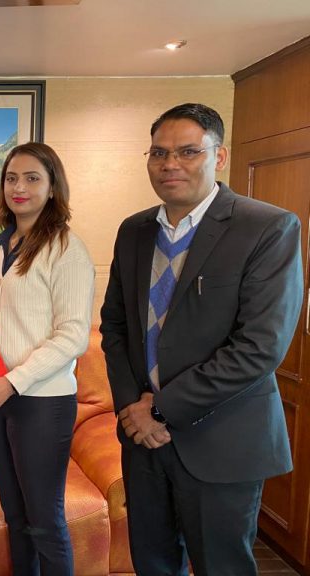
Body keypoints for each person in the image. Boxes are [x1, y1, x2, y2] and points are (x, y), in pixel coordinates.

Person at [100, 103, 303, 576]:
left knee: (222, 566)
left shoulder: (267, 227)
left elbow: (259, 348)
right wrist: (133, 409)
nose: (170, 164)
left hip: (221, 438)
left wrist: (159, 409)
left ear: (220, 156)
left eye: (188, 151)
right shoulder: (134, 231)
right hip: (144, 442)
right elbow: (115, 327)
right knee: (151, 563)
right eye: (158, 153)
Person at [0, 142, 95, 575]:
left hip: (41, 401)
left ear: (53, 187)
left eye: (32, 178)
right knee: (14, 515)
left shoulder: (66, 249)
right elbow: (1, 313)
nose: (18, 187)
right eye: (11, 178)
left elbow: (73, 336)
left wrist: (12, 381)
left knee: (43, 520)